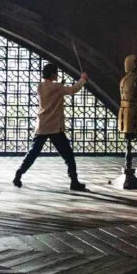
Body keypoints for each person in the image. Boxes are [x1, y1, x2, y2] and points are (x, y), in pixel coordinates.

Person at [13, 63, 88, 191]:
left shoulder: (40, 86)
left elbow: (52, 92)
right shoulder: (57, 87)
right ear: (52, 74)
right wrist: (83, 79)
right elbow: (73, 89)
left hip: (42, 126)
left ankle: (18, 174)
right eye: (56, 72)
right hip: (54, 127)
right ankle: (74, 181)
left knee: (32, 154)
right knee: (68, 155)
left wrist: (60, 85)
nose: (57, 74)